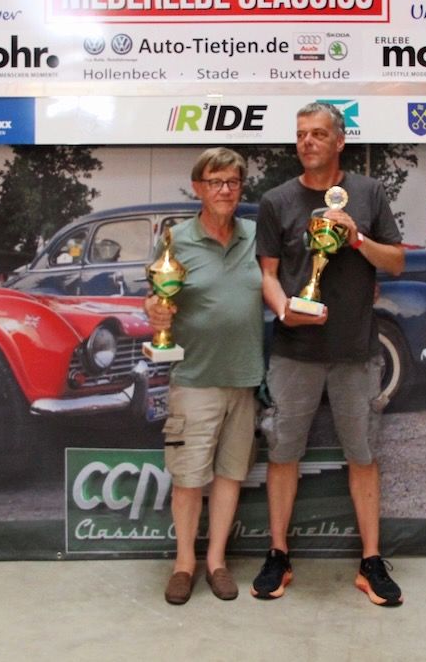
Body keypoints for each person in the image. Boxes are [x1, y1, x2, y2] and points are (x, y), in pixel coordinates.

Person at [253, 102, 407, 606]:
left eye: (318, 134)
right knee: (283, 454)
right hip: (294, 351)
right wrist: (284, 311)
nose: (308, 142)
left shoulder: (369, 193)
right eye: (301, 134)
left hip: (355, 350)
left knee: (362, 455)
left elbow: (397, 262)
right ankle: (278, 554)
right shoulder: (277, 200)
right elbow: (268, 274)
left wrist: (357, 238)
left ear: (340, 141)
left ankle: (370, 561)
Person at [144, 147, 263, 605]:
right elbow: (154, 298)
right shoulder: (176, 239)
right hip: (194, 378)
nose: (225, 190)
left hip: (245, 377)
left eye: (233, 182)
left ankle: (216, 561)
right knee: (190, 478)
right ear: (198, 188)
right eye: (215, 182)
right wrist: (155, 311)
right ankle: (183, 564)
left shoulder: (255, 236)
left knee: (231, 475)